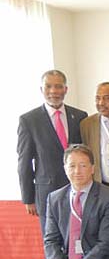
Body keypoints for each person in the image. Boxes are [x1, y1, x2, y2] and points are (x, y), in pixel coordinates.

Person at [17, 69, 87, 234]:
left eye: (58, 86)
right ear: (41, 89)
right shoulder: (29, 120)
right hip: (47, 193)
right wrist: (28, 197)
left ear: (65, 89)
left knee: (80, 236)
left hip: (78, 188)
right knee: (53, 239)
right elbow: (24, 161)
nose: (53, 91)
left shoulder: (80, 116)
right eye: (48, 86)